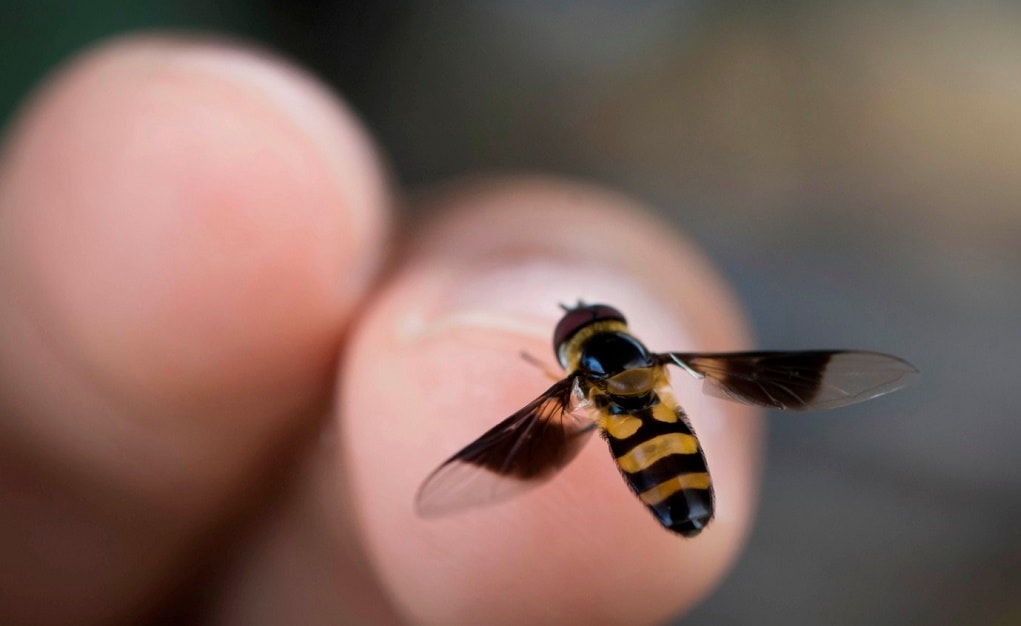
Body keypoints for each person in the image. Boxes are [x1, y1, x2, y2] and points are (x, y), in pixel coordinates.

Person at [0, 36, 761, 624]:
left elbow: (523, 450)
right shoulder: (661, 362)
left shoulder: (564, 392)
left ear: (570, 356)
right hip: (668, 469)